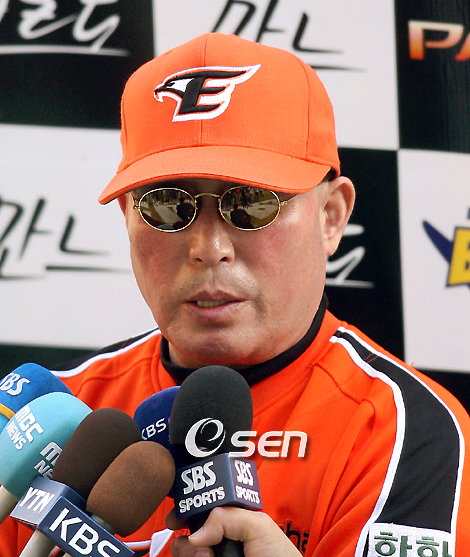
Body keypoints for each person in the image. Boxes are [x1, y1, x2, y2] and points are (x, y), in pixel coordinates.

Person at [1, 32, 470, 557]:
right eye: (167, 205)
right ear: (128, 216)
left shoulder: (404, 432)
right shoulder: (56, 414)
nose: (209, 248)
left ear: (331, 217)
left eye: (251, 203)